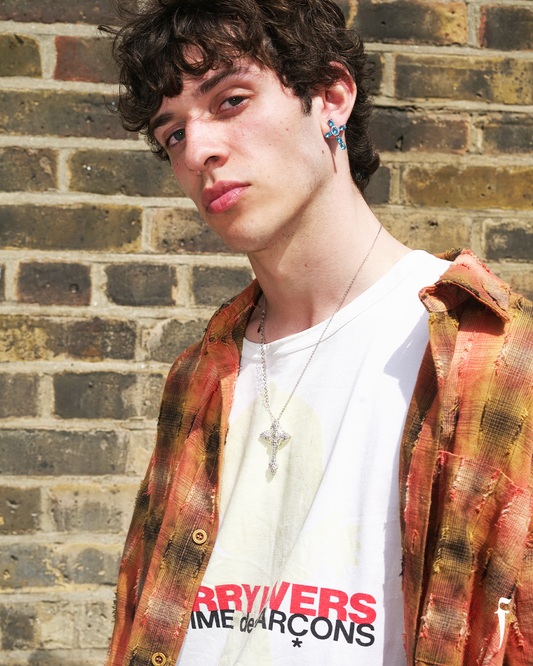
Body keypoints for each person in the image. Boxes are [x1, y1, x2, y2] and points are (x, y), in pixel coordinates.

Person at [103, 1, 533, 665]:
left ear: (331, 97)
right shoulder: (200, 373)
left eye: (231, 101)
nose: (198, 150)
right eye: (173, 134)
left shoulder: (495, 356)